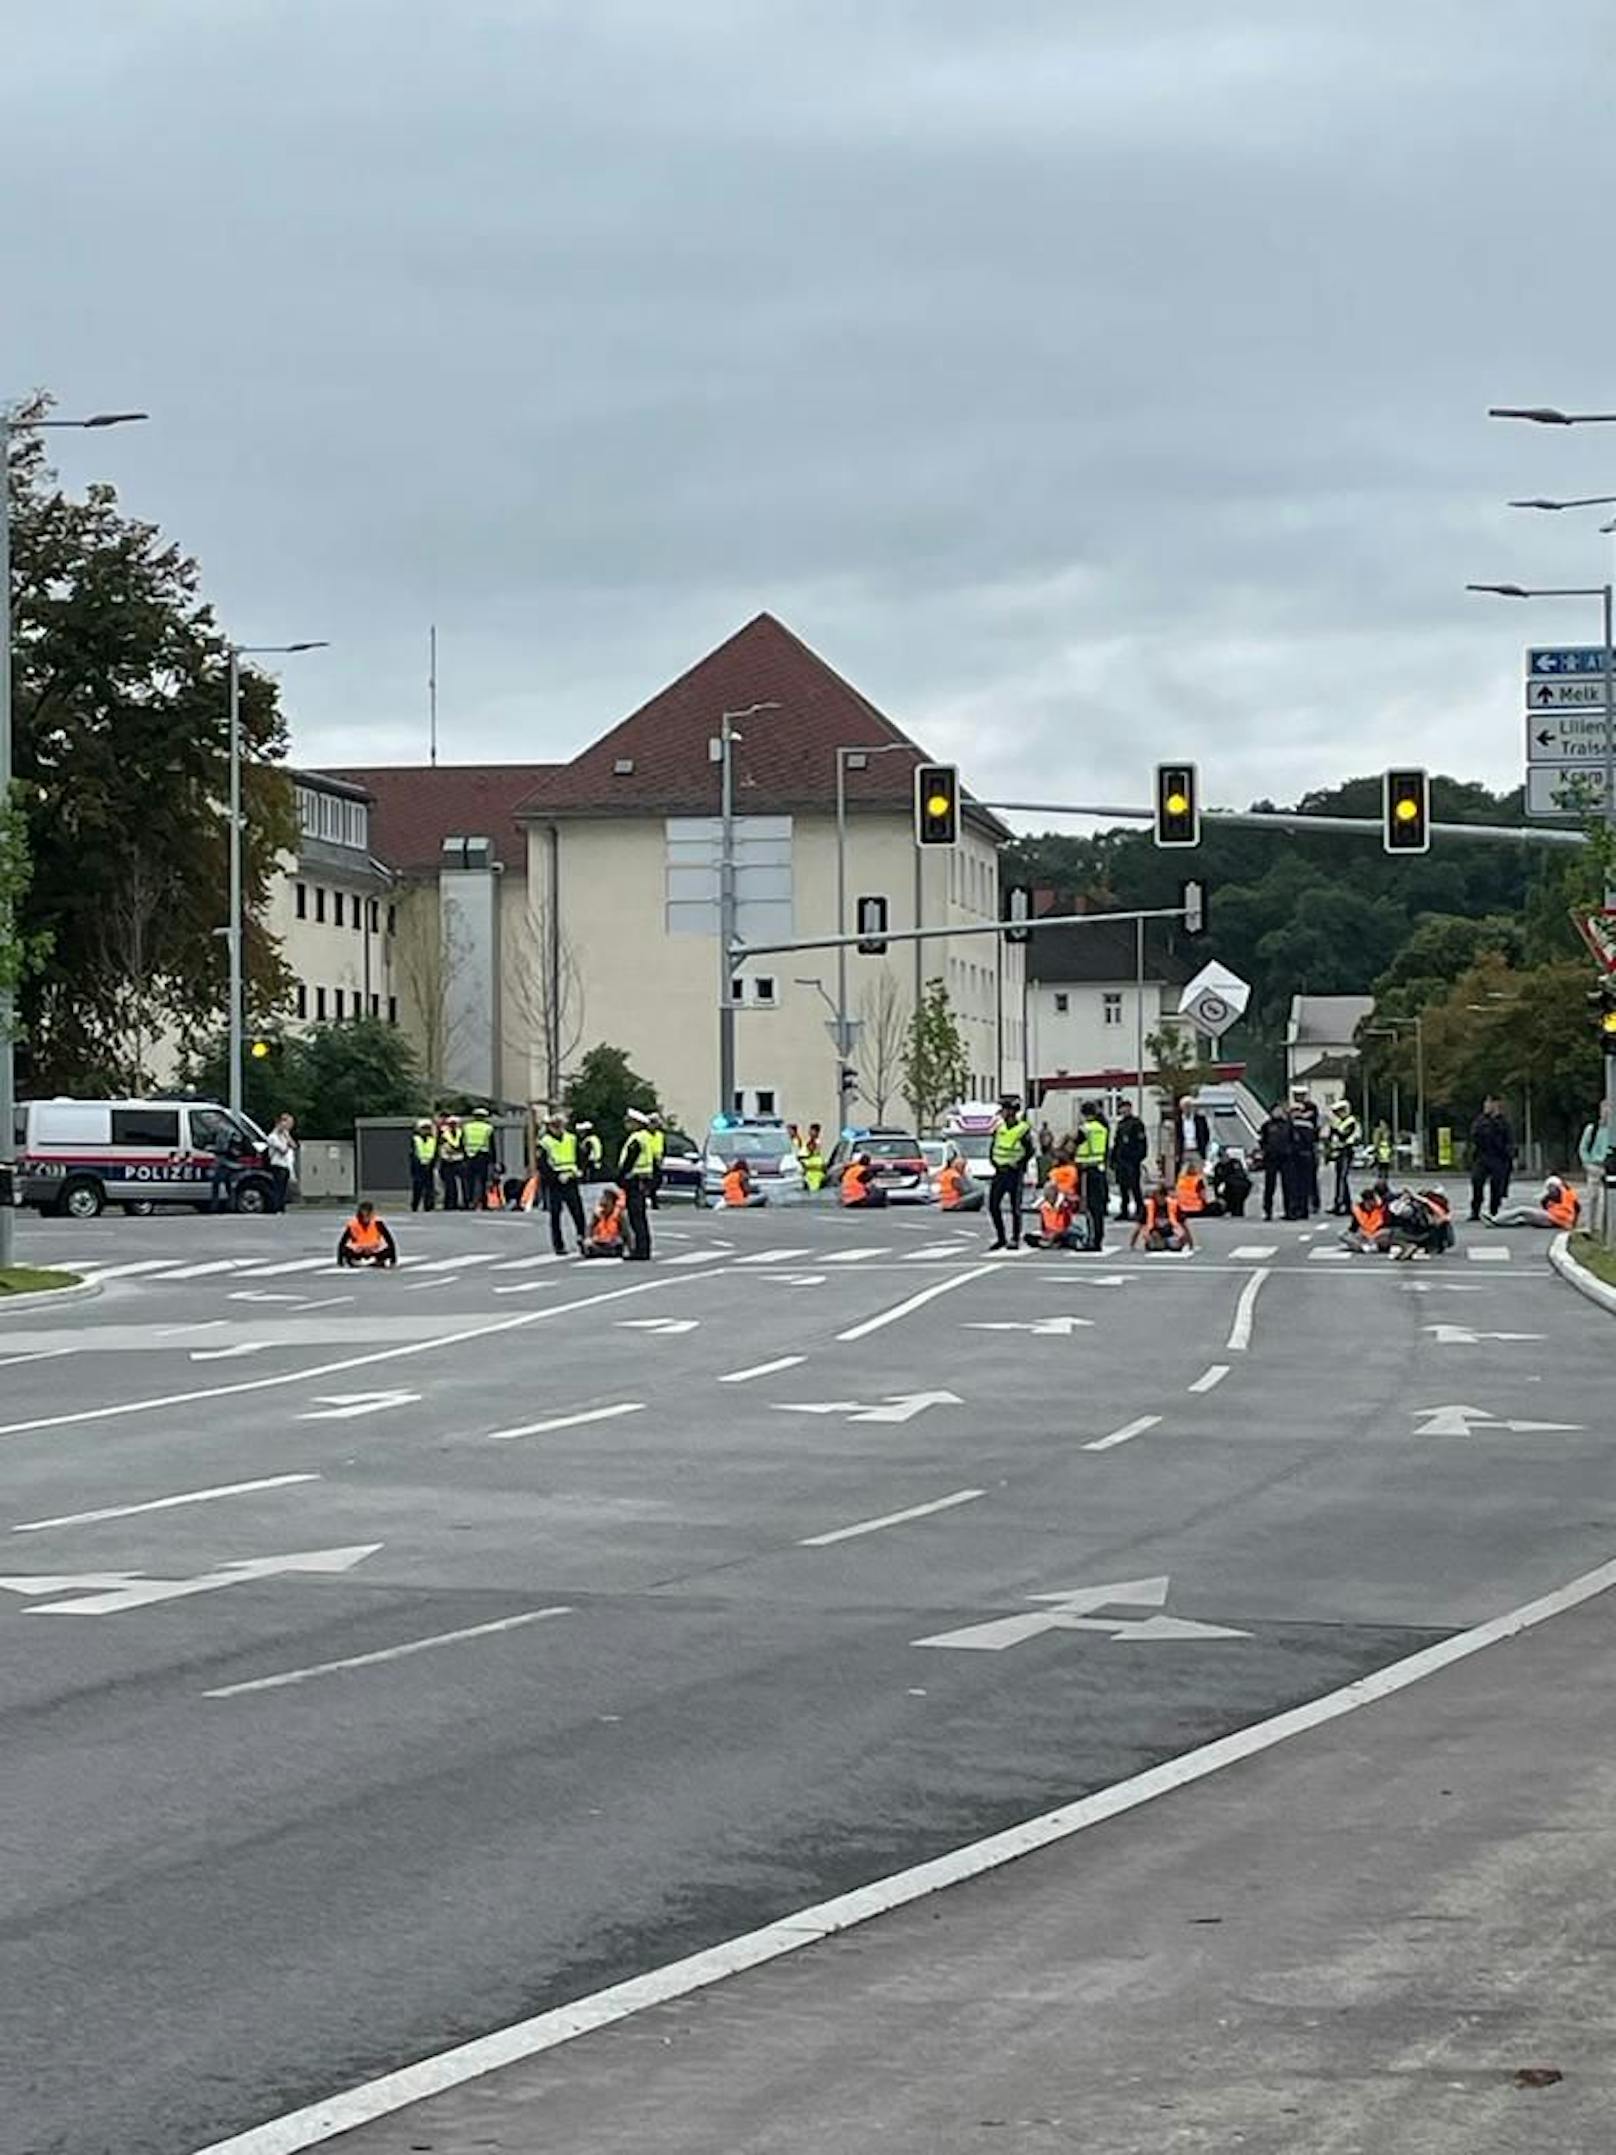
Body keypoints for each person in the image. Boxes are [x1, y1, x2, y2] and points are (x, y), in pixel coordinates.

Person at [987, 1093, 1035, 1251]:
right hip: (999, 1172)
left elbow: (1029, 1151)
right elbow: (993, 1147)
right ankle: (1001, 1237)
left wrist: (1019, 1164)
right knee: (993, 1206)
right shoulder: (999, 1128)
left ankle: (1015, 1238)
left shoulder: (1022, 1129)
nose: (1003, 1113)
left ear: (1012, 1112)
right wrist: (993, 1162)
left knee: (1015, 1207)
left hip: (1014, 1173)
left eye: (1005, 1109)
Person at [539, 1112, 587, 1255]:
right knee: (555, 1214)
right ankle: (558, 1245)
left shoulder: (571, 1139)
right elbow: (543, 1166)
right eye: (556, 1126)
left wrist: (579, 1170)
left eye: (561, 1126)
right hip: (556, 1182)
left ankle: (583, 1239)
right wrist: (555, 1177)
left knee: (578, 1213)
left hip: (571, 1179)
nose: (560, 1129)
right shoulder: (545, 1143)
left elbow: (581, 1156)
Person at [618, 1109, 658, 1260]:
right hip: (643, 1179)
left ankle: (640, 1250)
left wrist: (621, 1177)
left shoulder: (636, 1139)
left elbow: (630, 1160)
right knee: (640, 1216)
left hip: (633, 1180)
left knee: (636, 1217)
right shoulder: (647, 1137)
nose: (626, 1125)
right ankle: (644, 1248)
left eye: (629, 1122)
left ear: (636, 1123)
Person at [1468, 1095, 1514, 1222]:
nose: (1487, 1107)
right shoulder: (1480, 1121)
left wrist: (1508, 1155)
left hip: (1498, 1157)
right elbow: (1474, 1134)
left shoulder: (1503, 1122)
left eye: (1490, 1104)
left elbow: (1508, 1140)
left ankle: (1494, 1210)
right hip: (1482, 1156)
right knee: (1477, 1182)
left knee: (1496, 1185)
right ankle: (1475, 1211)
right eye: (1486, 1104)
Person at [1074, 1099, 1110, 1255]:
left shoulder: (1085, 1129)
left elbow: (1073, 1145)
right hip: (1099, 1169)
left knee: (1090, 1207)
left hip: (1088, 1170)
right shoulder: (1102, 1128)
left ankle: (1092, 1239)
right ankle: (1098, 1238)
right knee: (1098, 1208)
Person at [1487, 1175, 1581, 1230]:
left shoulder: (1559, 1192)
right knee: (1524, 1220)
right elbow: (1577, 1208)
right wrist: (1572, 1224)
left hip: (1553, 1218)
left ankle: (1495, 1220)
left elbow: (1544, 1203)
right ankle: (1500, 1223)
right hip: (1558, 1220)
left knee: (1522, 1210)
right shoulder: (1570, 1193)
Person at [1132, 1180, 1193, 1253]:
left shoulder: (1173, 1205)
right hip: (1155, 1234)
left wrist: (1189, 1241)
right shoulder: (1148, 1207)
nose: (1159, 1199)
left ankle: (1170, 1243)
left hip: (1171, 1233)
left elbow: (1184, 1224)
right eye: (1157, 1196)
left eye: (1162, 1196)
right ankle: (1159, 1244)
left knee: (1174, 1244)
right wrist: (1132, 1243)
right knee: (1156, 1244)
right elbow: (1139, 1226)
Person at [1111, 1105, 1148, 1222]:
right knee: (1123, 1187)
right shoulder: (1121, 1124)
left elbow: (1142, 1141)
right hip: (1121, 1160)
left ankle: (1140, 1210)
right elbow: (1117, 1142)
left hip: (1132, 1160)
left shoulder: (1136, 1123)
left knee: (1134, 1186)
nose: (1123, 1111)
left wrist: (1138, 1157)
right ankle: (1124, 1211)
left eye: (1126, 1108)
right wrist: (1113, 1159)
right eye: (1121, 1109)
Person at [336, 1200, 398, 1269]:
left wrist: (393, 1261)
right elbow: (342, 1243)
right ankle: (354, 1261)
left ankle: (377, 1261)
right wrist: (340, 1261)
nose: (365, 1217)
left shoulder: (378, 1223)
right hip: (359, 1250)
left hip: (374, 1250)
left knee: (388, 1250)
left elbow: (390, 1241)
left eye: (368, 1213)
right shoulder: (353, 1224)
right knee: (345, 1250)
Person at [1256, 1103, 1292, 1222]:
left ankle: (1289, 1210)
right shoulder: (1267, 1126)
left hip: (1285, 1158)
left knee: (1287, 1185)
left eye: (1279, 1110)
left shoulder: (1288, 1125)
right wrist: (1265, 1151)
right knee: (1270, 1186)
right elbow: (1262, 1140)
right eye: (1275, 1110)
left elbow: (1293, 1139)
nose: (1277, 1112)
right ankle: (1267, 1211)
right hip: (1271, 1158)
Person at [1023, 1179, 1082, 1250]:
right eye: (1047, 1191)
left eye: (1051, 1191)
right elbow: (1043, 1225)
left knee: (1072, 1235)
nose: (1048, 1193)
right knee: (1028, 1236)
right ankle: (1052, 1243)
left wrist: (1063, 1200)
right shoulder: (1043, 1206)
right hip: (1049, 1233)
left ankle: (1053, 1243)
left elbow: (1075, 1202)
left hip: (1063, 1231)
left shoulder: (1064, 1204)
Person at [1324, 1100, 1360, 1215]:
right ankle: (1344, 1204)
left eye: (1338, 1112)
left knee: (1342, 1179)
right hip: (1340, 1152)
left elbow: (1344, 1136)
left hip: (1346, 1151)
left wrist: (1334, 1130)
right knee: (1340, 1179)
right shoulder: (1340, 1122)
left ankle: (1341, 1204)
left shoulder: (1350, 1121)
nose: (1336, 1114)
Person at [1288, 1093, 1321, 1217]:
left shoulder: (1304, 1124)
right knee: (1300, 1182)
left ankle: (1305, 1206)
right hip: (1300, 1154)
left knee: (1305, 1182)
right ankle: (1301, 1207)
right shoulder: (1297, 1124)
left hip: (1304, 1154)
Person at [1340, 1180, 1393, 1254]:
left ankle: (1373, 1245)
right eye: (1368, 1202)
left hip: (1377, 1235)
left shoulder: (1380, 1208)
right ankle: (1362, 1247)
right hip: (1363, 1236)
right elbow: (1353, 1228)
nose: (1371, 1204)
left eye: (1372, 1201)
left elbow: (1386, 1225)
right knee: (1343, 1235)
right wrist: (1361, 1232)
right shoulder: (1358, 1210)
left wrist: (1375, 1234)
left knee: (1388, 1232)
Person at [460, 1106, 496, 1211]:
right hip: (482, 1156)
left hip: (468, 1156)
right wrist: (493, 1160)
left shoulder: (466, 1127)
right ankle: (483, 1203)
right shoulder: (488, 1128)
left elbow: (462, 1142)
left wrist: (464, 1155)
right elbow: (492, 1145)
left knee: (469, 1181)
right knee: (483, 1181)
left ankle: (468, 1202)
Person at [582, 1185, 628, 1257]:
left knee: (617, 1244)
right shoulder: (598, 1213)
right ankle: (597, 1251)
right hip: (600, 1240)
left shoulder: (619, 1214)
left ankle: (606, 1252)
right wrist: (588, 1238)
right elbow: (590, 1227)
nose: (604, 1202)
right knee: (588, 1245)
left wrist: (624, 1241)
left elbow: (626, 1231)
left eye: (607, 1200)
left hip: (612, 1242)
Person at [935, 1147, 982, 1212]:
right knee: (981, 1193)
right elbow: (963, 1190)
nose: (964, 1168)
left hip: (945, 1203)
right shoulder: (954, 1175)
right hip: (955, 1202)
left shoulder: (945, 1172)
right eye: (963, 1166)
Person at [1173, 1095, 1211, 1171]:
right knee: (1183, 1174)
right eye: (1185, 1106)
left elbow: (1206, 1134)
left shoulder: (1200, 1120)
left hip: (1197, 1151)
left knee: (1199, 1174)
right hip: (1184, 1151)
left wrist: (1202, 1147)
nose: (1187, 1109)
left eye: (1189, 1106)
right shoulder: (1178, 1121)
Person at [1211, 1147, 1251, 1218]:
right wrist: (1218, 1196)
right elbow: (1216, 1182)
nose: (1223, 1159)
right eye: (1221, 1157)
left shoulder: (1234, 1163)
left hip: (1240, 1187)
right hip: (1229, 1188)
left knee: (1238, 1201)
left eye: (1224, 1156)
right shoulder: (1219, 1167)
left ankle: (1237, 1212)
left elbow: (1240, 1176)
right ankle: (1234, 1211)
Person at [436, 1115, 465, 1211]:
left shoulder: (461, 1133)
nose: (453, 1125)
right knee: (449, 1184)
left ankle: (459, 1203)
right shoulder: (443, 1134)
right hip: (447, 1161)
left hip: (459, 1160)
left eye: (454, 1124)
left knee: (461, 1184)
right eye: (451, 1124)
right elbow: (442, 1147)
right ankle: (449, 1204)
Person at [408, 1118, 438, 1212]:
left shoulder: (432, 1140)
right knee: (418, 1188)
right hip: (418, 1167)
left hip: (429, 1167)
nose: (426, 1130)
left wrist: (432, 1163)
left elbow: (435, 1153)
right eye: (424, 1128)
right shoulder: (415, 1139)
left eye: (428, 1128)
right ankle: (415, 1205)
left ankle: (428, 1206)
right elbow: (413, 1154)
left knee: (429, 1188)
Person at [647, 1113, 667, 1208]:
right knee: (649, 1184)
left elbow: (662, 1148)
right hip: (647, 1161)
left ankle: (653, 1200)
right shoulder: (645, 1135)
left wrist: (661, 1159)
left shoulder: (660, 1135)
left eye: (655, 1123)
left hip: (657, 1162)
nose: (653, 1125)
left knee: (657, 1182)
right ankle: (652, 1201)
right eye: (652, 1123)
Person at [801, 1124, 826, 1193]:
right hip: (809, 1173)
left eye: (812, 1130)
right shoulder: (809, 1141)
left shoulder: (817, 1142)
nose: (810, 1132)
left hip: (815, 1174)